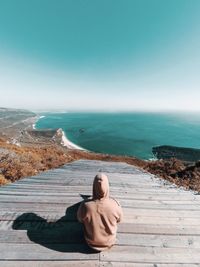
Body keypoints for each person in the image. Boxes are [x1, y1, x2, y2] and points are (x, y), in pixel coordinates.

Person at [77, 173, 123, 251]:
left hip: (91, 242)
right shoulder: (116, 205)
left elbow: (79, 219)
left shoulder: (85, 206)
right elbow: (120, 220)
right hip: (110, 241)